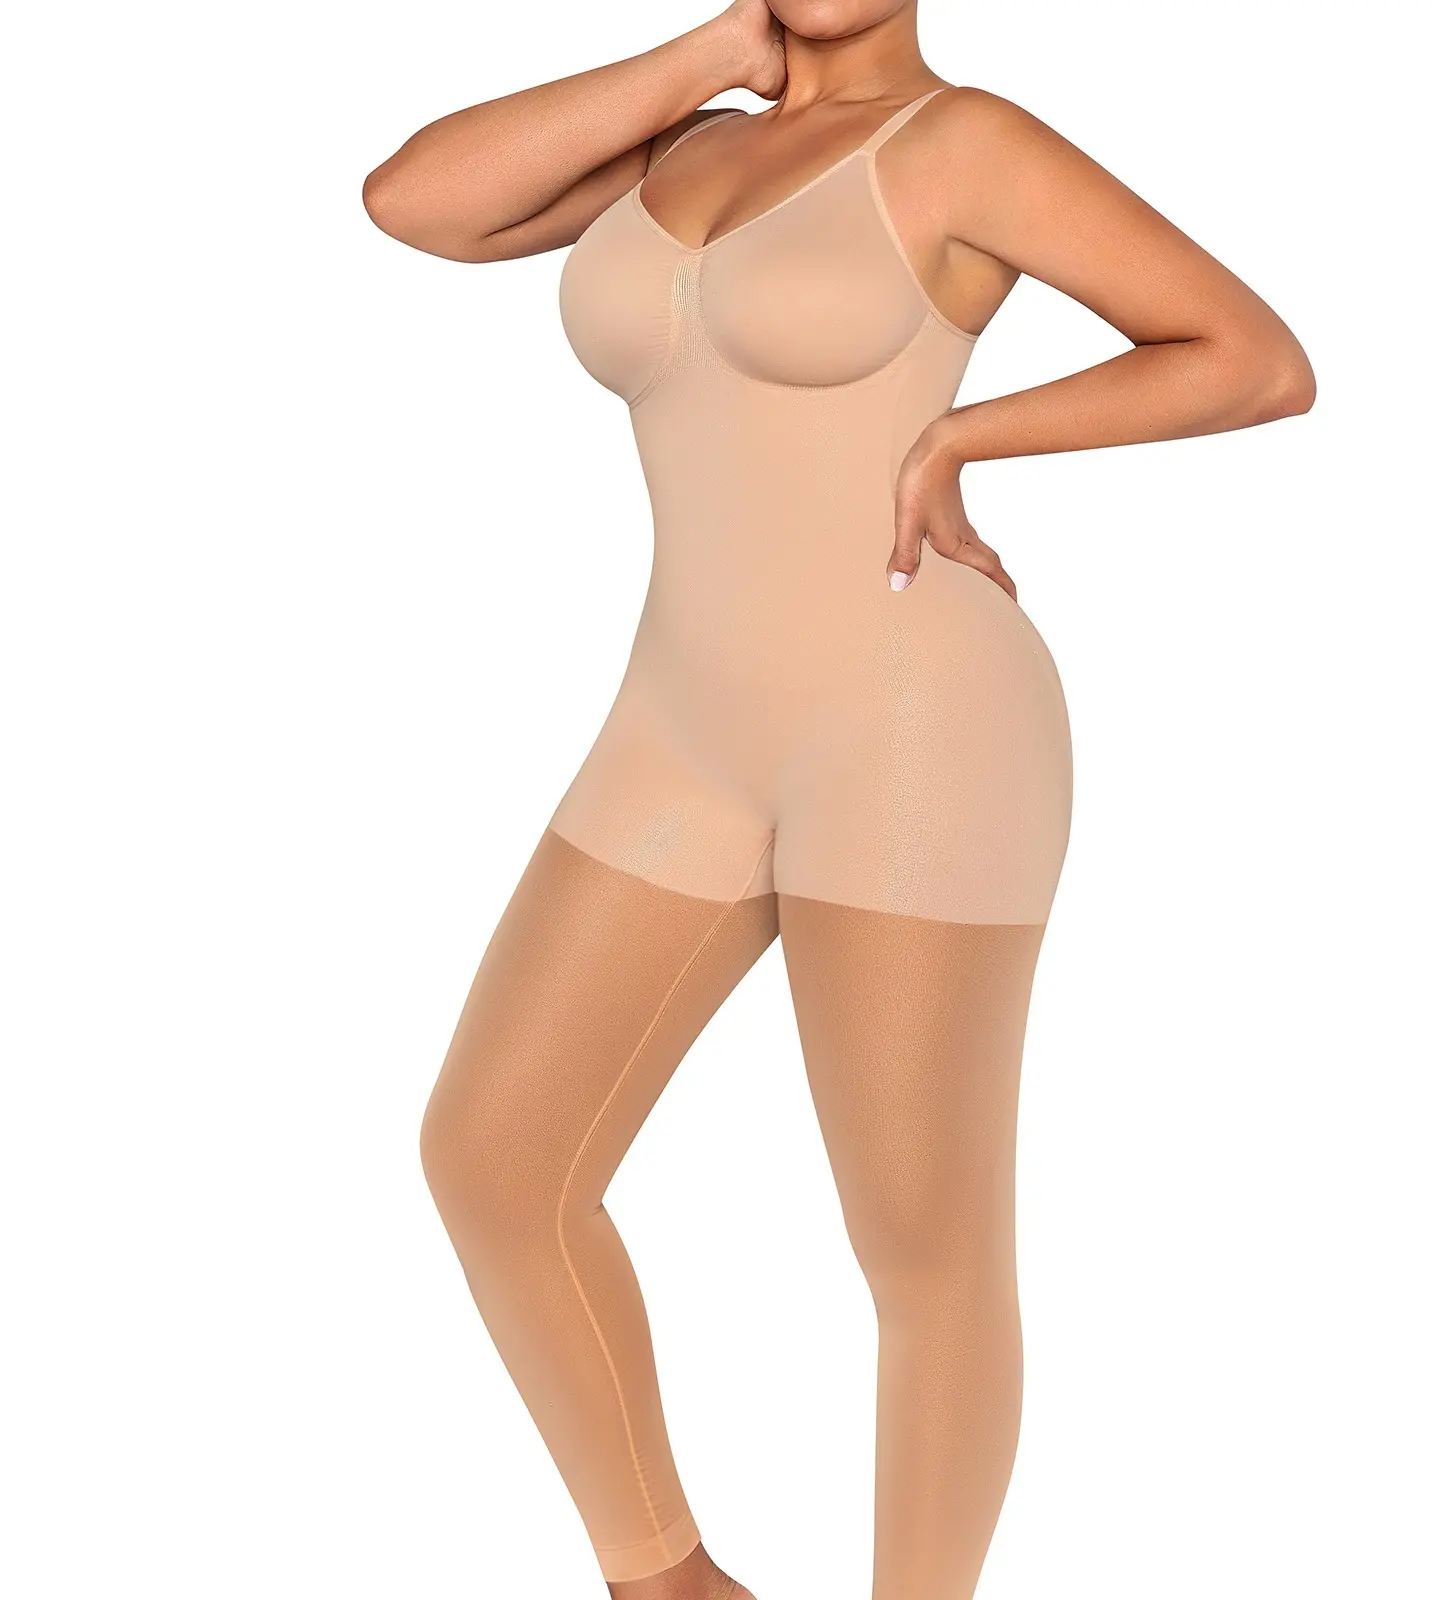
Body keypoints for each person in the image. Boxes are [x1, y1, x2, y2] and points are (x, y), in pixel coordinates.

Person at [362, 3, 1314, 1596]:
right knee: (493, 1160)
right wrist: (709, 59)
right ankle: (669, 1582)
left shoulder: (962, 144)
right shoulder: (681, 144)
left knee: (921, 1248)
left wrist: (971, 434)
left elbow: (1255, 357)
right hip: (679, 726)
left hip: (913, 723)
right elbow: (415, 202)